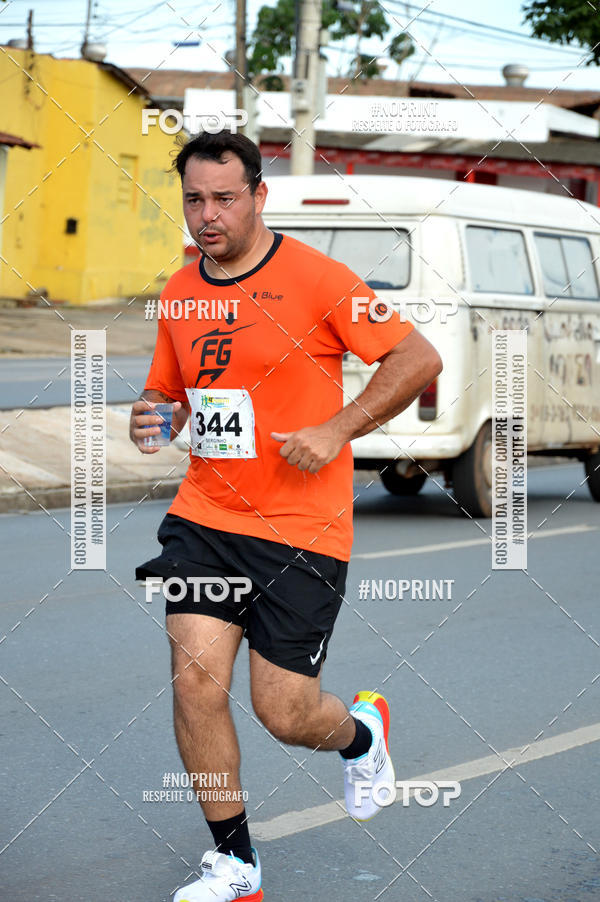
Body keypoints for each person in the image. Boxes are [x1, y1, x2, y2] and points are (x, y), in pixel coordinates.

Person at [130, 130, 442, 902]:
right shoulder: (178, 290)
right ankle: (235, 866)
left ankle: (361, 734)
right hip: (203, 519)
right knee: (194, 683)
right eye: (195, 199)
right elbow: (166, 390)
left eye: (224, 199)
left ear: (259, 197)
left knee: (286, 713)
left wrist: (337, 430)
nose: (208, 215)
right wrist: (151, 416)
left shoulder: (317, 279)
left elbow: (417, 359)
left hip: (302, 531)